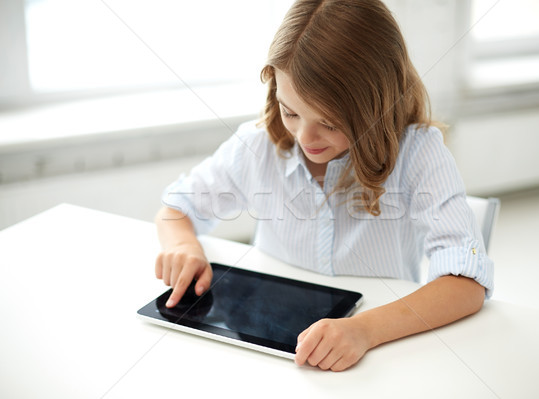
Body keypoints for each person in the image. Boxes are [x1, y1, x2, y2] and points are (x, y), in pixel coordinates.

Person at [154, 0, 494, 372]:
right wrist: (184, 247)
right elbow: (176, 209)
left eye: (330, 122)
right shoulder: (256, 145)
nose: (305, 137)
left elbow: (466, 284)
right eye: (291, 112)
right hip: (273, 347)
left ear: (375, 105)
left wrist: (364, 330)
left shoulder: (419, 153)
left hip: (378, 353)